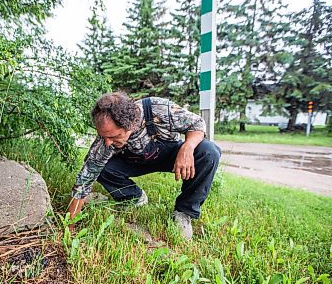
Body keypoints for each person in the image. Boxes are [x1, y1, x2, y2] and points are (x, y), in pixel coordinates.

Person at [68, 92, 221, 240]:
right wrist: (70, 225)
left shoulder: (158, 108)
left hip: (170, 156)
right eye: (103, 136)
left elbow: (197, 123)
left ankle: (184, 212)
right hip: (134, 161)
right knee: (102, 168)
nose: (107, 142)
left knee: (209, 152)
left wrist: (188, 146)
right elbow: (85, 179)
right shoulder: (105, 141)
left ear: (131, 124)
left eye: (114, 136)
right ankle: (134, 198)